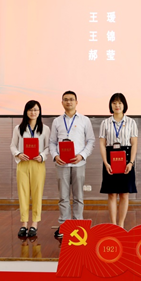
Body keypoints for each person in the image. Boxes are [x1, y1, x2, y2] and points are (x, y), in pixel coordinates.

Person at [49, 91, 95, 239]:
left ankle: (78, 226)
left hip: (78, 163)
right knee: (63, 197)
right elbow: (52, 142)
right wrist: (55, 156)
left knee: (78, 196)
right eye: (66, 99)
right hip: (61, 164)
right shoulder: (57, 121)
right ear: (62, 102)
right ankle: (64, 225)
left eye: (71, 99)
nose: (69, 102)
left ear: (76, 102)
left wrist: (82, 155)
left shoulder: (84, 120)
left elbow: (91, 140)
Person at [10, 100, 50, 237]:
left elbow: (48, 147)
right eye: (30, 110)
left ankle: (34, 224)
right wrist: (18, 154)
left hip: (38, 164)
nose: (33, 112)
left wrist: (42, 156)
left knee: (37, 194)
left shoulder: (45, 129)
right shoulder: (18, 128)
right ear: (26, 111)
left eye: (36, 110)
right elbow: (12, 145)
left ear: (39, 112)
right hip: (23, 164)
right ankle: (24, 224)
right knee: (23, 194)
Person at [99, 93, 138, 228]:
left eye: (120, 103)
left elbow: (134, 144)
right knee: (111, 194)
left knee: (124, 194)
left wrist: (131, 162)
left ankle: (121, 224)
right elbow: (102, 144)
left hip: (126, 159)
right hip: (110, 159)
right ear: (111, 105)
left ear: (124, 105)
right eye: (114, 103)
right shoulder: (105, 123)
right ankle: (113, 225)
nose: (117, 105)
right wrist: (105, 162)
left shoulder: (131, 122)